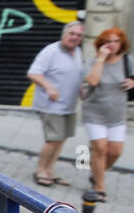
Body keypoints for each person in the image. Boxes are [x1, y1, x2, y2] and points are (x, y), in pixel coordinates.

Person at [26, 22, 86, 186]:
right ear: (64, 34)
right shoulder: (51, 51)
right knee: (53, 139)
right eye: (71, 33)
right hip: (51, 105)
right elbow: (33, 73)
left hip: (69, 105)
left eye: (79, 35)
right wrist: (49, 87)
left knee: (61, 139)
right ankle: (41, 171)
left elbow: (77, 75)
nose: (75, 37)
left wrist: (82, 90)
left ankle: (50, 171)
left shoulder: (78, 52)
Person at [80, 28, 133, 202]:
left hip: (117, 114)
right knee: (100, 148)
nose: (112, 45)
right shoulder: (94, 61)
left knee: (116, 151)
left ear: (121, 44)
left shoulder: (127, 61)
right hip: (94, 112)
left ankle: (97, 172)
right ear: (102, 44)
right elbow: (93, 81)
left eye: (116, 41)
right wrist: (101, 59)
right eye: (108, 41)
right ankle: (99, 187)